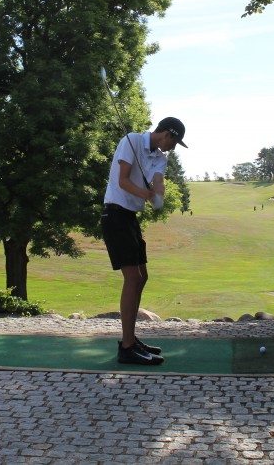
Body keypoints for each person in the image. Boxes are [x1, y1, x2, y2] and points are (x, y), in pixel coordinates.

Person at [101, 116, 187, 365]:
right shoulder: (131, 140)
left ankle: (131, 338)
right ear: (167, 134)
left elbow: (158, 181)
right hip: (115, 213)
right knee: (133, 277)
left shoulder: (160, 157)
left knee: (143, 276)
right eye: (175, 141)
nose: (174, 147)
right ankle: (126, 347)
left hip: (129, 217)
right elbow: (123, 180)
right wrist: (149, 196)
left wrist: (158, 194)